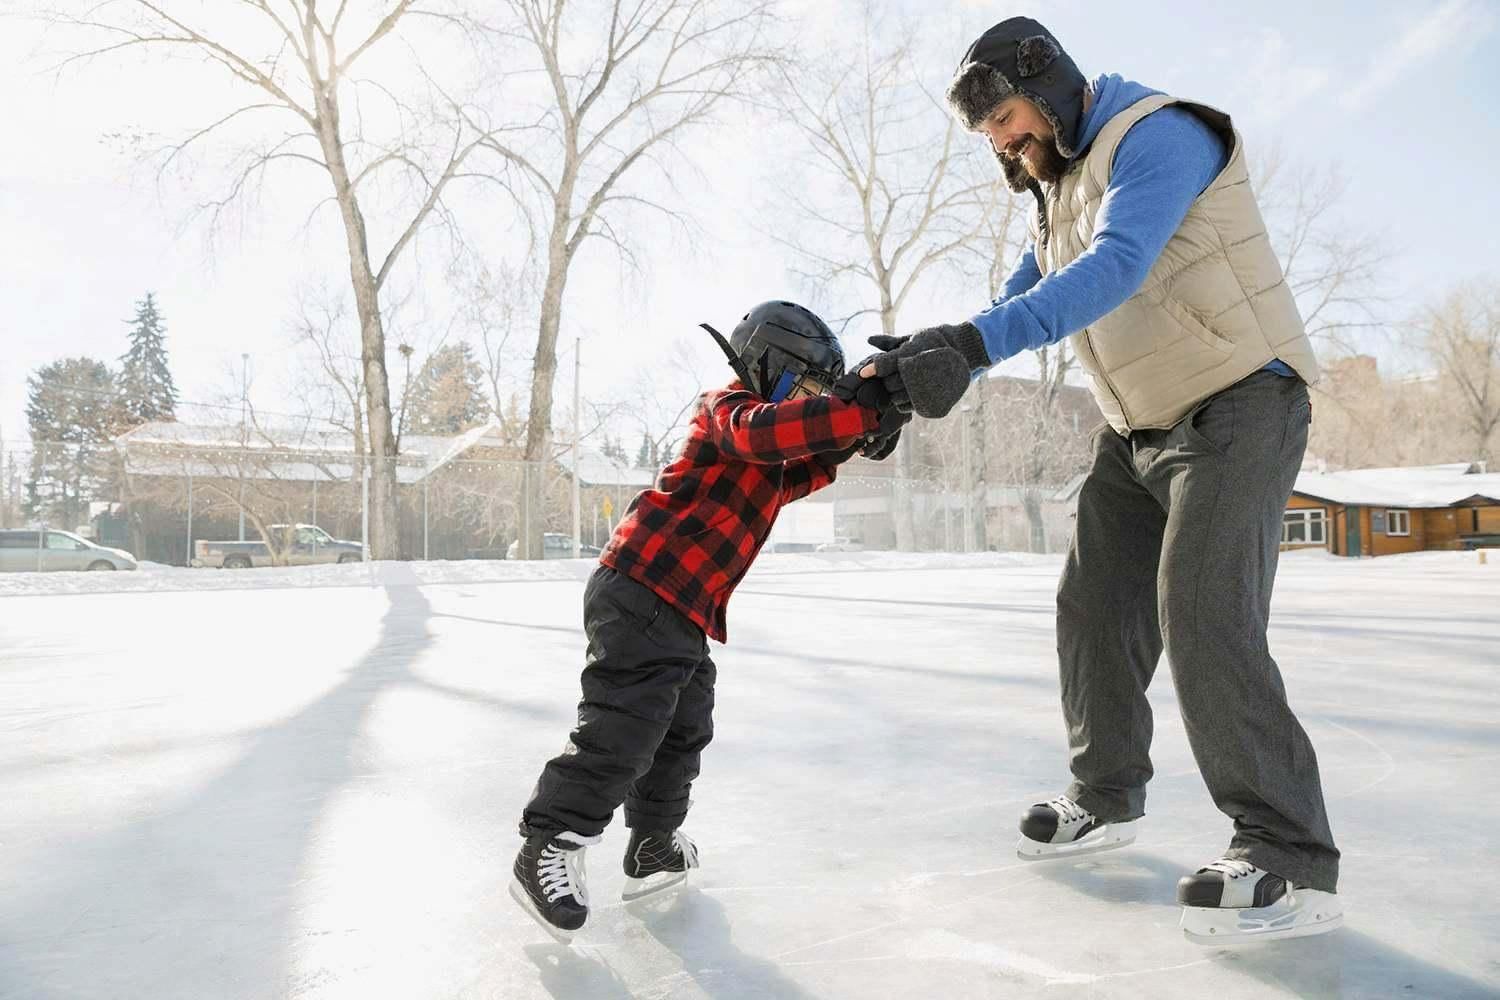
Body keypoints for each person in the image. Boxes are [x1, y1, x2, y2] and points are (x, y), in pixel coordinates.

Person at [859, 17, 1342, 943]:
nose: (1000, 141)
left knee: (1200, 609)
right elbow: (1014, 302)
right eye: (989, 132)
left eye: (1003, 117)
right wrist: (912, 370)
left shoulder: (1160, 134)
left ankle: (1291, 855)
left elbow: (1117, 265)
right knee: (1092, 606)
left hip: (1240, 403)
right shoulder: (1054, 186)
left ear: (1050, 86)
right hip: (1138, 428)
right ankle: (1107, 796)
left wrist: (972, 345)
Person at [511, 301, 907, 942]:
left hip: (683, 608)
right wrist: (854, 411)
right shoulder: (727, 411)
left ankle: (653, 844)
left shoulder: (772, 452)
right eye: (804, 389)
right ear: (771, 366)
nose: (807, 403)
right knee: (626, 726)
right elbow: (769, 434)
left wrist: (874, 422)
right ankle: (549, 843)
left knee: (683, 730)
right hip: (642, 585)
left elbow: (807, 458)